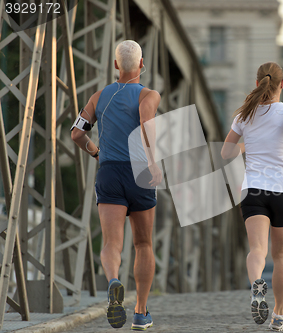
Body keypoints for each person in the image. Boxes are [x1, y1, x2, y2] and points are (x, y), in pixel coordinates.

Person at [71, 40, 162, 331]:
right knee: (144, 243)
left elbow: (76, 134)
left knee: (112, 243)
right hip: (140, 174)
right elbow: (147, 126)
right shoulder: (149, 94)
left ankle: (113, 281)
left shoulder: (99, 97)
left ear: (115, 66)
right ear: (142, 64)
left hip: (109, 172)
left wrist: (95, 151)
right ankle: (140, 312)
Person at [221, 62, 283, 331]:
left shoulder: (243, 116)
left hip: (254, 190)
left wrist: (246, 145)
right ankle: (279, 314)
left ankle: (256, 283)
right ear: (282, 84)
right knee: (281, 254)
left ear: (258, 83)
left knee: (257, 249)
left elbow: (225, 153)